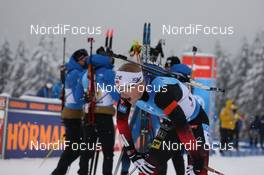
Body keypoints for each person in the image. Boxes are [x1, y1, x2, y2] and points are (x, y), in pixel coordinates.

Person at [115, 63, 210, 175]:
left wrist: (197, 159)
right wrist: (133, 155)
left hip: (195, 121)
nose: (122, 94)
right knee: (148, 168)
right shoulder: (126, 97)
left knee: (197, 171)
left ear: (138, 85)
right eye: (118, 88)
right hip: (171, 123)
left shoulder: (162, 93)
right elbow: (121, 124)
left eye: (124, 89)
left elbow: (182, 127)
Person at [76, 51, 118, 175]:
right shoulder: (109, 73)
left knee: (87, 150)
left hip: (89, 116)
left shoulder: (86, 74)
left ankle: (82, 172)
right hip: (104, 117)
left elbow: (78, 96)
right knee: (107, 152)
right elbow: (116, 95)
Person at [51, 49, 88, 175]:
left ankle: (59, 172)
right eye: (84, 59)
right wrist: (86, 98)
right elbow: (78, 95)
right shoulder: (75, 73)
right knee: (74, 148)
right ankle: (58, 172)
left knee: (75, 148)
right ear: (78, 60)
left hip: (74, 114)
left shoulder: (76, 72)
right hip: (72, 115)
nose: (86, 61)